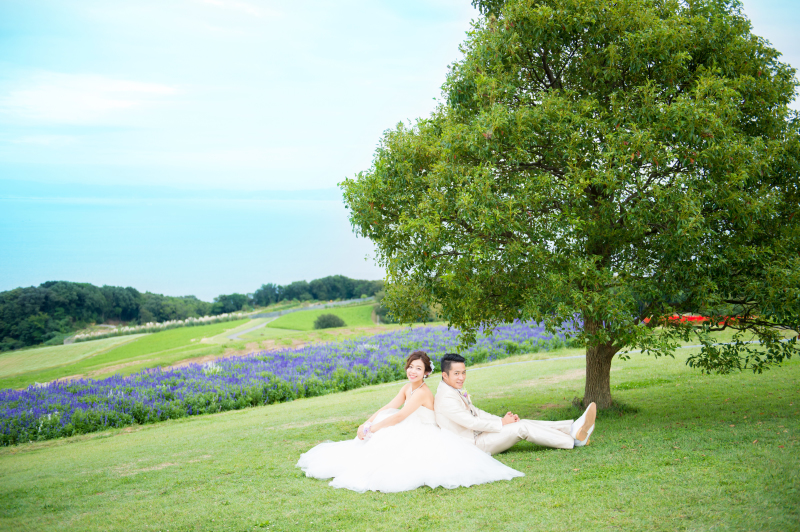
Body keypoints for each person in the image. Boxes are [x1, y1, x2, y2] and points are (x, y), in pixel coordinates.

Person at [296, 351, 523, 493]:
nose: (413, 371)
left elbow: (400, 416)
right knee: (378, 429)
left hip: (425, 432)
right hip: (407, 427)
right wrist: (364, 424)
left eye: (418, 368)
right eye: (411, 367)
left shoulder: (423, 392)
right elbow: (389, 407)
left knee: (388, 439)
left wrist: (372, 429)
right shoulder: (407, 388)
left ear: (426, 373)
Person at [434, 353, 596, 455]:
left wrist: (502, 420)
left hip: (480, 435)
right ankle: (573, 440)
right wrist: (501, 423)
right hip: (474, 445)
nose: (461, 377)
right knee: (522, 428)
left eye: (463, 373)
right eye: (456, 374)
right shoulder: (445, 398)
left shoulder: (451, 389)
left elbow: (477, 412)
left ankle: (571, 429)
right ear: (445, 375)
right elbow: (471, 422)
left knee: (522, 422)